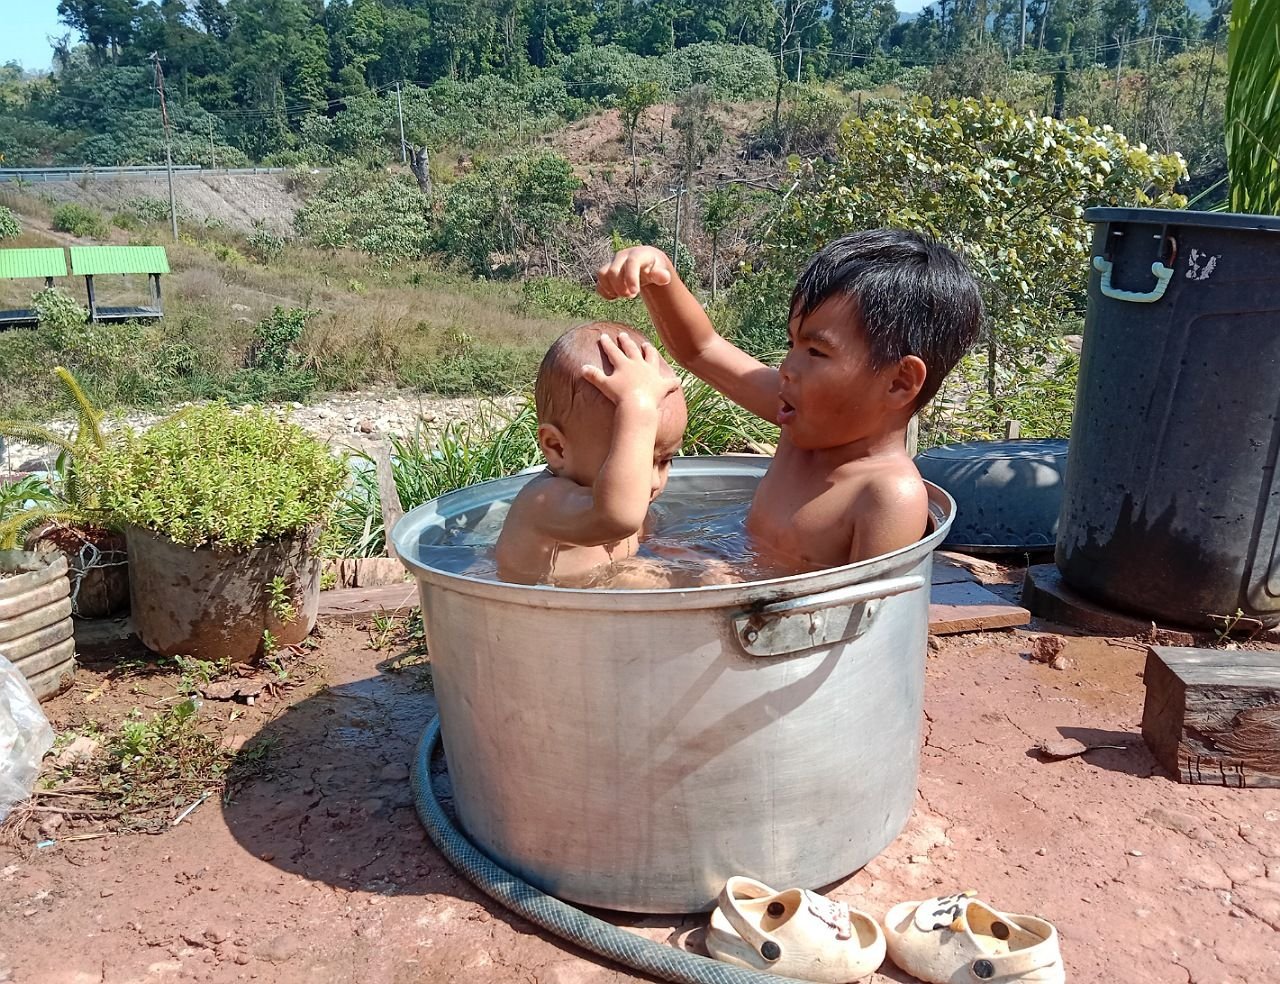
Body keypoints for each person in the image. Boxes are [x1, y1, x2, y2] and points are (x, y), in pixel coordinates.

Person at [596, 230, 983, 572]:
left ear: (899, 382)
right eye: (791, 343)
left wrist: (731, 586)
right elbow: (701, 350)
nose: (785, 368)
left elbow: (860, 623)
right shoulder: (801, 422)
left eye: (816, 352)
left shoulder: (887, 496)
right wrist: (659, 276)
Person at [495, 323, 688, 586]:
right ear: (557, 448)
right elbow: (617, 517)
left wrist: (691, 563)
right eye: (632, 456)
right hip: (543, 620)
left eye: (665, 460)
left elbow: (652, 543)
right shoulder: (542, 504)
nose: (653, 481)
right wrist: (636, 406)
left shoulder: (634, 503)